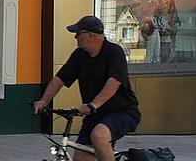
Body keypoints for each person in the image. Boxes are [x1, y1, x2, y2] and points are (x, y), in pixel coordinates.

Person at [33, 15, 140, 161]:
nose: (75, 37)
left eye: (78, 33)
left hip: (122, 112)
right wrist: (44, 101)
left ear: (91, 35)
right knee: (81, 158)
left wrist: (93, 104)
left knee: (99, 135)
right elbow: (60, 79)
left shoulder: (114, 52)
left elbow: (113, 83)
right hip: (94, 115)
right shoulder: (80, 55)